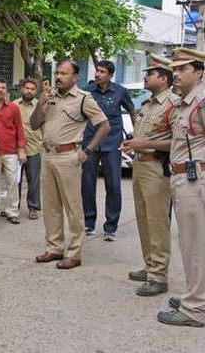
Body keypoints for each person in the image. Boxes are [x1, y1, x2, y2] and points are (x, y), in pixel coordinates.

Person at [122, 48, 205, 327]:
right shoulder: (185, 102)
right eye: (175, 69)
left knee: (195, 246)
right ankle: (195, 297)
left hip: (193, 178)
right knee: (190, 243)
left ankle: (196, 308)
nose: (176, 74)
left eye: (182, 69)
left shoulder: (200, 101)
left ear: (199, 71)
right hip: (181, 175)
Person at [30, 60, 109, 270]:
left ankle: (74, 253)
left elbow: (104, 126)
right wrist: (41, 103)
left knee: (73, 207)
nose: (58, 77)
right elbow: (34, 124)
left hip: (69, 157)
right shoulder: (50, 97)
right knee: (50, 206)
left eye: (64, 73)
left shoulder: (84, 99)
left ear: (75, 77)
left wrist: (87, 152)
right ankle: (54, 247)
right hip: (47, 155)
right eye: (57, 73)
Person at [119, 54, 175, 297]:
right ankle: (150, 265)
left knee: (157, 223)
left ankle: (159, 276)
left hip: (156, 168)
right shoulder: (148, 104)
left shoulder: (173, 104)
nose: (145, 77)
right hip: (140, 166)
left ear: (163, 78)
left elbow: (177, 141)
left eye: (150, 73)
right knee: (143, 219)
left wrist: (145, 143)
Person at [81, 60, 136, 241]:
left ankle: (111, 226)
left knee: (113, 185)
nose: (97, 74)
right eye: (97, 71)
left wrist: (136, 136)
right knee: (88, 183)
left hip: (112, 143)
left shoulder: (120, 91)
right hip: (90, 143)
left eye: (102, 72)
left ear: (110, 75)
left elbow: (132, 110)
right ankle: (89, 223)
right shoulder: (87, 92)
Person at [0, 78, 26, 225]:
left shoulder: (13, 108)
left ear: (6, 90)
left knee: (12, 182)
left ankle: (11, 211)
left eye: (3, 88)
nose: (0, 90)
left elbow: (20, 129)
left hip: (11, 151)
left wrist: (21, 149)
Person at [14, 78, 44, 220]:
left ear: (36, 91)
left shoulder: (40, 105)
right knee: (15, 180)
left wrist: (44, 143)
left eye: (32, 89)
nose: (29, 91)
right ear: (22, 89)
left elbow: (44, 125)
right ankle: (14, 207)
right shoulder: (14, 105)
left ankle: (33, 207)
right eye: (27, 88)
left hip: (34, 148)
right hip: (16, 149)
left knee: (34, 180)